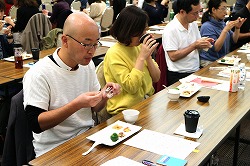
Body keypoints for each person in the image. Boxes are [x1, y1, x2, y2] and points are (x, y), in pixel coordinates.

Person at [23, 12, 121, 157]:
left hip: (86, 138)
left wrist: (104, 96)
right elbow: (36, 124)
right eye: (86, 44)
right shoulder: (40, 73)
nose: (91, 51)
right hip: (54, 150)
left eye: (95, 44)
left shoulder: (86, 65)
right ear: (65, 40)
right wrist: (76, 104)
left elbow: (95, 108)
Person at [103, 5, 160, 115]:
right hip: (125, 111)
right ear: (128, 31)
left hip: (146, 103)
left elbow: (156, 78)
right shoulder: (114, 53)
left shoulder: (139, 47)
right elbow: (132, 87)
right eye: (140, 32)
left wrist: (148, 56)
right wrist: (142, 57)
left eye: (145, 30)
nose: (143, 35)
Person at [162, 0, 213, 86]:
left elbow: (197, 45)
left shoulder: (193, 24)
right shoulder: (171, 29)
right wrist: (194, 46)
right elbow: (173, 56)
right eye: (194, 13)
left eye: (199, 12)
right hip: (179, 74)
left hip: (195, 70)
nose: (197, 16)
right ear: (182, 12)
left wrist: (203, 43)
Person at [200, 0, 246, 67]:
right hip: (210, 62)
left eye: (226, 8)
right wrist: (225, 30)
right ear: (213, 10)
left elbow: (234, 40)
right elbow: (215, 48)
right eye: (223, 8)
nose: (225, 12)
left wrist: (237, 28)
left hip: (222, 59)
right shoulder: (207, 26)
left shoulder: (221, 23)